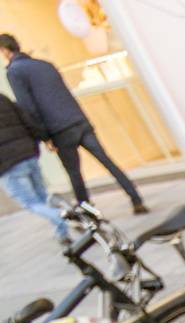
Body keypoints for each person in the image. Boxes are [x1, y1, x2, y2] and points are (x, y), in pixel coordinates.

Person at [0, 33, 146, 214]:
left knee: (74, 173)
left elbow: (28, 107)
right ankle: (136, 198)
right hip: (79, 120)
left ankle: (87, 212)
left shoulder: (15, 71)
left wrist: (43, 137)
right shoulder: (45, 65)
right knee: (108, 162)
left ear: (5, 51)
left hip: (59, 130)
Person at [0, 91, 67, 243]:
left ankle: (64, 217)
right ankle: (63, 233)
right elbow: (27, 120)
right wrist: (43, 138)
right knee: (43, 196)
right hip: (28, 154)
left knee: (30, 203)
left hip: (8, 164)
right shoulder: (2, 97)